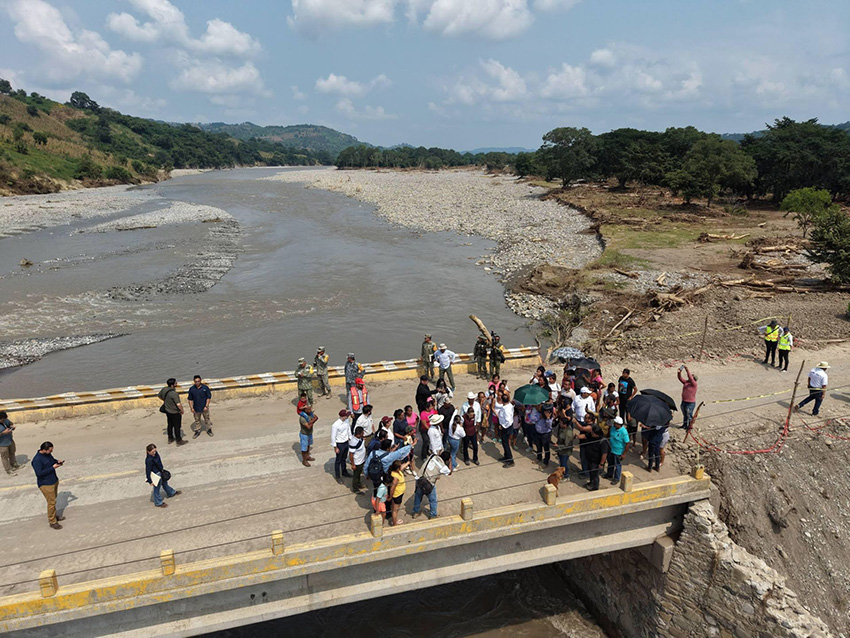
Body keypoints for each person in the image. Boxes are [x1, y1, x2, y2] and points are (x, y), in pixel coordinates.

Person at [31, 441, 64, 528]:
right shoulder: (37, 460)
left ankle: (54, 516)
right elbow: (39, 474)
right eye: (50, 450)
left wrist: (57, 461)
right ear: (44, 450)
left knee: (53, 500)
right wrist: (52, 468)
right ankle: (52, 521)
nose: (51, 451)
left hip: (53, 480)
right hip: (46, 484)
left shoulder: (47, 455)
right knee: (51, 503)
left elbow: (51, 460)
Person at [412, 450, 452, 520]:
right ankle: (433, 515)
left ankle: (416, 512)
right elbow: (450, 472)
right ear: (448, 459)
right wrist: (450, 462)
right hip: (428, 483)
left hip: (419, 478)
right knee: (433, 500)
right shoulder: (443, 467)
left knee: (418, 496)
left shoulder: (432, 456)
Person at [145, 443, 181, 508]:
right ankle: (158, 503)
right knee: (157, 489)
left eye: (155, 451)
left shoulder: (155, 455)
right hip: (156, 475)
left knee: (165, 483)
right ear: (148, 452)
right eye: (153, 452)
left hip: (160, 472)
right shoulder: (148, 460)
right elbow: (148, 471)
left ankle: (171, 493)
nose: (154, 453)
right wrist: (150, 481)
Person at [157, 378, 187, 446]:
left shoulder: (164, 389)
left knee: (170, 425)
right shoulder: (174, 393)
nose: (177, 384)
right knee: (177, 426)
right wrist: (182, 410)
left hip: (167, 410)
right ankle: (178, 440)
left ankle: (170, 438)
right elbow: (178, 404)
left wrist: (166, 401)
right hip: (175, 412)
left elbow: (159, 396)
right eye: (175, 383)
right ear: (172, 385)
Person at [604, 416, 630, 484]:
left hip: (618, 452)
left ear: (619, 424)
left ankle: (616, 478)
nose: (614, 424)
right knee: (610, 463)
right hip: (611, 449)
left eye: (615, 423)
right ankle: (609, 474)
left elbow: (627, 443)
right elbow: (609, 435)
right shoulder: (613, 428)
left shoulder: (623, 432)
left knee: (617, 465)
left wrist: (624, 454)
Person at [493, 391, 515, 467]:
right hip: (505, 426)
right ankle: (506, 456)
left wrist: (502, 426)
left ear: (502, 400)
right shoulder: (509, 406)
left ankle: (510, 460)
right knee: (504, 442)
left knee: (506, 443)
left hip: (506, 427)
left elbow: (508, 421)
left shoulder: (506, 409)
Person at [583, 425, 609, 491]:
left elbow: (604, 454)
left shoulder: (603, 442)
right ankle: (591, 483)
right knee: (591, 473)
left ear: (597, 434)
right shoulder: (591, 436)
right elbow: (584, 436)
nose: (591, 434)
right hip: (590, 459)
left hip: (596, 461)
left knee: (595, 475)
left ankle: (595, 487)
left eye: (593, 433)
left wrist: (601, 464)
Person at [553, 400, 575, 475]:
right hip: (560, 450)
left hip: (565, 451)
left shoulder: (568, 433)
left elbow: (567, 445)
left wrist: (558, 446)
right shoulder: (562, 429)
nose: (560, 424)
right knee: (561, 463)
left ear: (565, 424)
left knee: (564, 464)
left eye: (561, 423)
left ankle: (566, 475)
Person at [331, 409, 353, 481]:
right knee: (338, 460)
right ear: (343, 416)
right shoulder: (336, 425)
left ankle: (344, 471)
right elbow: (333, 436)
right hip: (340, 443)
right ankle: (337, 476)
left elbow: (348, 430)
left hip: (346, 442)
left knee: (344, 458)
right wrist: (335, 447)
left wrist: (350, 438)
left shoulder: (346, 421)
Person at [388, 459, 409, 526]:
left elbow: (402, 467)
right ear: (397, 468)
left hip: (400, 493)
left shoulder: (397, 471)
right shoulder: (395, 477)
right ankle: (394, 524)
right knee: (395, 510)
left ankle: (394, 520)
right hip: (397, 495)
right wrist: (390, 497)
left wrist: (408, 462)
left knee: (395, 509)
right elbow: (392, 489)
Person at [677, 365, 698, 430]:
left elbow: (690, 377)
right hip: (684, 401)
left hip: (690, 403)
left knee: (689, 415)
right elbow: (680, 378)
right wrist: (679, 372)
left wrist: (687, 370)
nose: (690, 376)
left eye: (692, 376)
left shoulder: (694, 384)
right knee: (685, 415)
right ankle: (684, 425)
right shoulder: (686, 382)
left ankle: (689, 427)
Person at [0, 411, 20, 477]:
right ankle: (8, 470)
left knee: (12, 452)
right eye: (2, 420)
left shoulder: (6, 420)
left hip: (10, 440)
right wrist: (3, 433)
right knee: (5, 457)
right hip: (2, 444)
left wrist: (12, 426)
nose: (4, 421)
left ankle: (14, 464)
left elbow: (10, 424)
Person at [348, 426, 367, 494]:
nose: (363, 433)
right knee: (356, 476)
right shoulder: (353, 442)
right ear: (359, 434)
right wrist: (353, 464)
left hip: (361, 460)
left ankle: (359, 484)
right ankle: (355, 488)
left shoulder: (359, 438)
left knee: (359, 474)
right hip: (357, 462)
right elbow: (351, 454)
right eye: (362, 432)